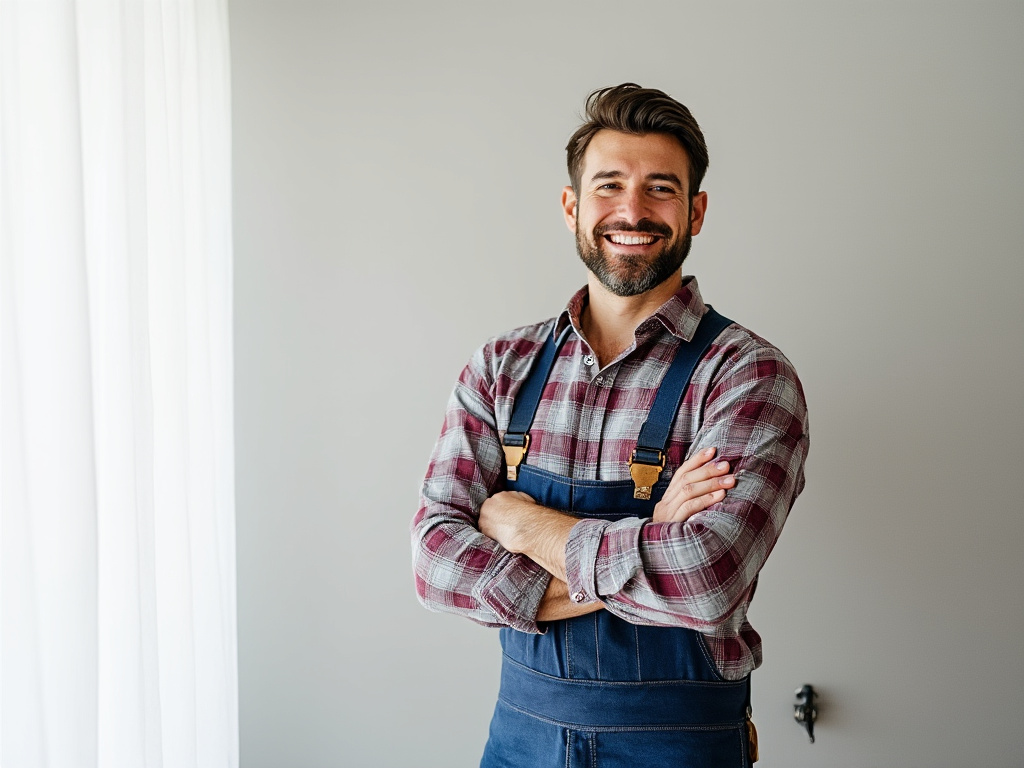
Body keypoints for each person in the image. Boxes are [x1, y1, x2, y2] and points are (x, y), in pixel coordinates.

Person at [411, 83, 809, 767]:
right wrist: (652, 539)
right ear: (572, 206)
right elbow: (433, 562)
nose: (632, 210)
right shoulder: (501, 367)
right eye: (609, 186)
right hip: (519, 739)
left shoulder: (748, 376)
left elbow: (705, 582)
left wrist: (518, 524)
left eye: (660, 188)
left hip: (679, 744)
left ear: (695, 211)